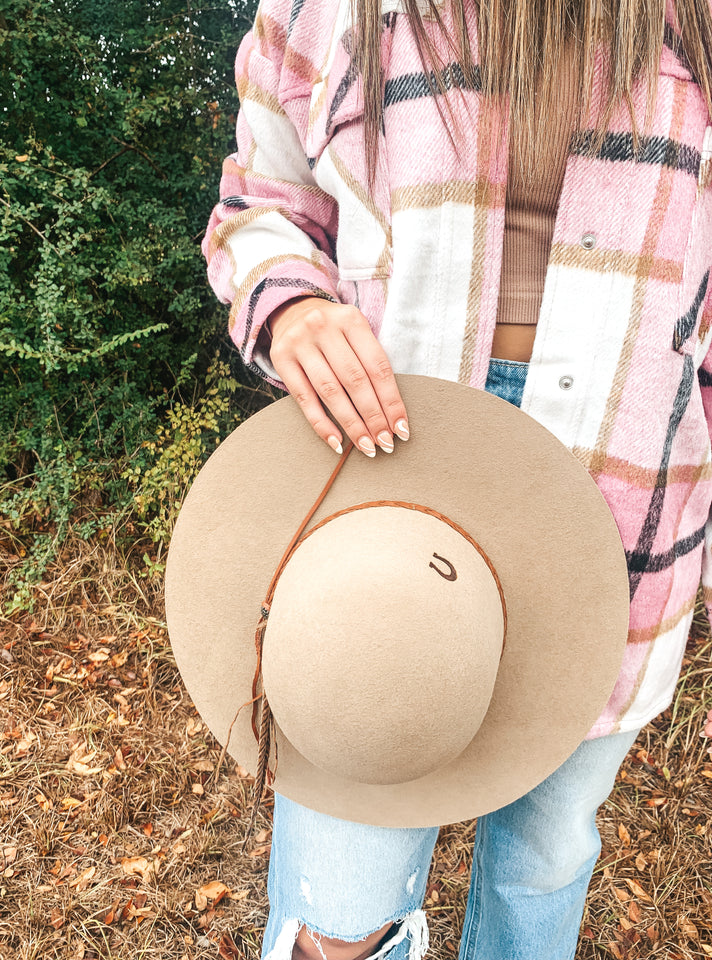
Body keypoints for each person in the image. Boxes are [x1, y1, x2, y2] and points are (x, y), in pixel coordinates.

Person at [202, 0, 712, 955]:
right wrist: (292, 310)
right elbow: (257, 203)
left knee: (543, 864)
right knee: (338, 907)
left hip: (624, 503)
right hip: (389, 485)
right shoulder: (328, 8)